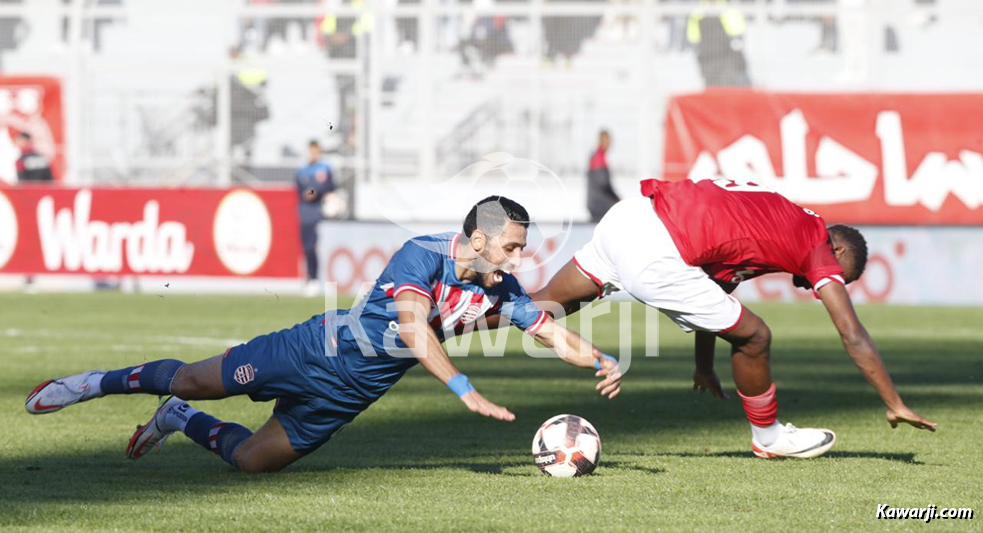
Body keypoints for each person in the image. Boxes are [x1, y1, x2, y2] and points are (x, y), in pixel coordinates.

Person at [25, 196, 622, 473]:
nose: (520, 259)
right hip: (312, 351)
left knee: (253, 463)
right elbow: (414, 329)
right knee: (194, 377)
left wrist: (597, 357)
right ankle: (91, 384)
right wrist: (462, 385)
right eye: (513, 247)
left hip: (350, 394)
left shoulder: (502, 291)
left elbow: (547, 328)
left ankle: (178, 420)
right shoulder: (419, 256)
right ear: (479, 239)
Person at [523, 178, 936, 459]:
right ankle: (769, 438)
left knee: (535, 306)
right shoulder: (816, 245)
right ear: (839, 253)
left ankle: (459, 316)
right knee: (756, 337)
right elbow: (852, 334)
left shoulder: (781, 218)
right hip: (656, 248)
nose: (817, 286)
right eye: (835, 279)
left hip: (630, 217)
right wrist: (894, 402)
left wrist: (704, 365)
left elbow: (712, 289)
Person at [295, 140, 336, 295]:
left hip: (320, 213)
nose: (313, 154)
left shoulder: (324, 169)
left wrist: (313, 193)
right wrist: (310, 193)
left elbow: (327, 187)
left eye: (316, 151)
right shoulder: (302, 171)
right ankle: (310, 279)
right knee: (306, 247)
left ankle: (316, 279)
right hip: (305, 214)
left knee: (315, 247)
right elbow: (301, 191)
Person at [587, 130, 620, 222]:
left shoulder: (598, 156)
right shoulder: (598, 157)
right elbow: (603, 183)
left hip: (598, 203)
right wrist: (616, 197)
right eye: (607, 140)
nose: (609, 143)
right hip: (599, 205)